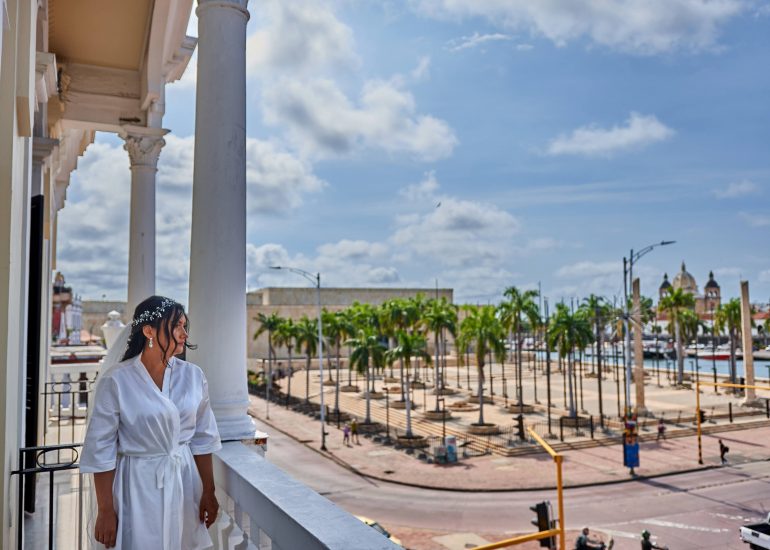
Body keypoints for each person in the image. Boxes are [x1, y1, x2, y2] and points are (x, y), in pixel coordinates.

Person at [80, 296, 222, 549]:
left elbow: (203, 438)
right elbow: (101, 449)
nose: (184, 333)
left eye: (184, 325)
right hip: (137, 485)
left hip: (183, 481)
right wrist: (105, 510)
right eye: (176, 326)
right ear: (149, 331)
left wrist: (208, 491)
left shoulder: (193, 376)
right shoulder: (117, 381)